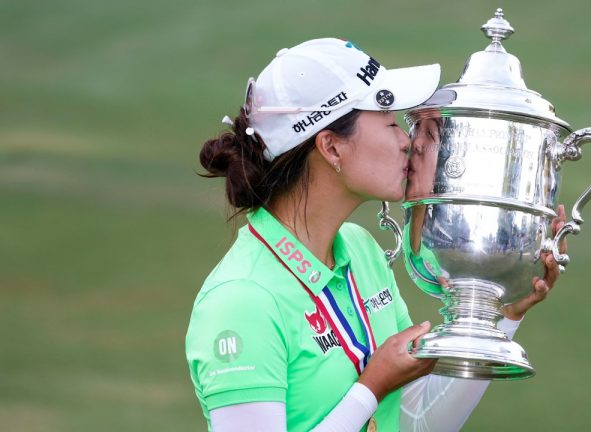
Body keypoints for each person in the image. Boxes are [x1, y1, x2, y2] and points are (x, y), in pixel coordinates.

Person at [185, 38, 566, 432]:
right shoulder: (242, 298)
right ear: (331, 147)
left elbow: (417, 422)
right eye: (388, 122)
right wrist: (371, 387)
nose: (407, 141)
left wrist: (498, 315)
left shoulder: (360, 251)